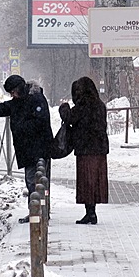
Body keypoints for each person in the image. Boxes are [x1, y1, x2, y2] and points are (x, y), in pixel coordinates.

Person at [0, 75, 54, 223]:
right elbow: (2, 108)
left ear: (19, 88)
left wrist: (20, 128)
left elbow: (41, 122)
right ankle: (37, 213)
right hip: (28, 149)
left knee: (36, 181)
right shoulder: (19, 101)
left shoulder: (36, 99)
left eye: (12, 92)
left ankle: (39, 214)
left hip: (38, 148)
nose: (12, 95)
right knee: (32, 182)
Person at [59, 76, 109, 224]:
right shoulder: (99, 105)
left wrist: (64, 107)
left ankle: (90, 213)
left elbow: (69, 118)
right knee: (95, 181)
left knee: (86, 181)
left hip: (86, 149)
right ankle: (92, 212)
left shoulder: (82, 106)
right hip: (100, 149)